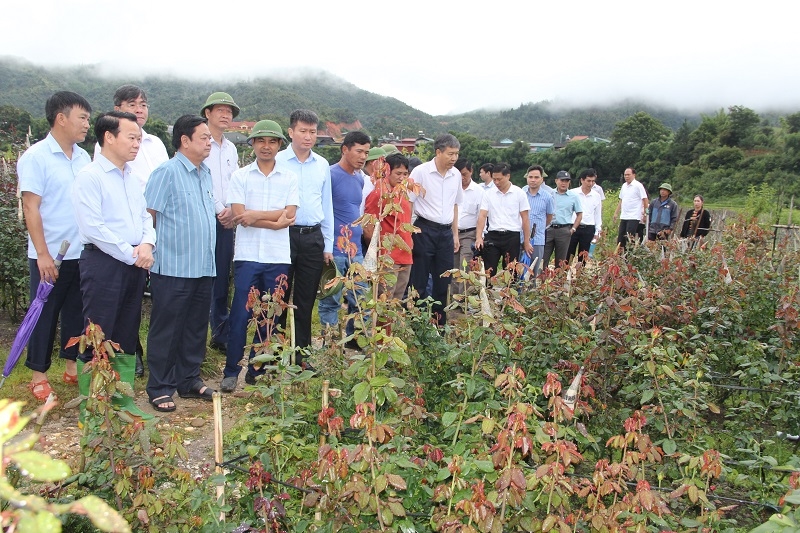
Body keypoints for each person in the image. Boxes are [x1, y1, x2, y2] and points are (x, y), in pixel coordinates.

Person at [18, 91, 91, 401]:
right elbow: (31, 207)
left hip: (82, 251)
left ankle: (72, 367)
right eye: (83, 118)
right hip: (51, 256)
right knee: (45, 314)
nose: (88, 124)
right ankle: (38, 374)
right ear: (61, 119)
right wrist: (43, 254)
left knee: (78, 314)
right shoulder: (36, 157)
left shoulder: (85, 157)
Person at [95, 84, 169, 377]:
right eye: (132, 104)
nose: (139, 109)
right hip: (122, 240)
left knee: (145, 300)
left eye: (143, 104)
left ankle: (143, 359)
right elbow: (101, 214)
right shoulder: (104, 156)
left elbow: (161, 185)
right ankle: (122, 360)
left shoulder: (155, 144)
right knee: (117, 308)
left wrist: (148, 238)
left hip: (152, 230)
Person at [144, 115, 217, 412]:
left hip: (203, 266)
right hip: (173, 266)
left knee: (196, 328)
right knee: (167, 329)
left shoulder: (206, 173)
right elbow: (147, 215)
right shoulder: (167, 172)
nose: (209, 142)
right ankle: (160, 387)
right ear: (184, 141)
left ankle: (188, 380)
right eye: (204, 137)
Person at [221, 120, 298, 393]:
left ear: (279, 145)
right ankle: (231, 371)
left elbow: (290, 214)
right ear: (252, 144)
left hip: (278, 257)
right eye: (261, 141)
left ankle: (258, 368)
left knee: (271, 316)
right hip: (247, 255)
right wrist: (271, 219)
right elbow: (240, 215)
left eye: (272, 141)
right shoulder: (241, 176)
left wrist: (255, 215)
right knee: (241, 315)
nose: (266, 146)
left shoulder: (289, 177)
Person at [73, 112, 155, 360]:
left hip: (134, 261)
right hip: (104, 262)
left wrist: (147, 244)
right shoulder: (90, 176)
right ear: (109, 136)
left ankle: (121, 395)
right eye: (131, 138)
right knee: (99, 329)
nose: (136, 144)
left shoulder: (130, 176)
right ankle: (96, 396)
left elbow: (144, 216)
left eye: (139, 139)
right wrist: (132, 253)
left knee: (128, 329)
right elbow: (93, 228)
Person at [275, 110, 333, 364]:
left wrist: (328, 244)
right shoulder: (277, 161)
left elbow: (327, 205)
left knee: (306, 299)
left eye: (312, 132)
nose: (308, 137)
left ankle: (302, 357)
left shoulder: (321, 164)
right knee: (278, 296)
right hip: (282, 235)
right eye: (303, 131)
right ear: (291, 132)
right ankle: (274, 356)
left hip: (312, 236)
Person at [318, 131, 370, 349]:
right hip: (335, 249)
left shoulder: (359, 177)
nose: (363, 157)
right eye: (359, 151)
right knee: (331, 299)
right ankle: (329, 346)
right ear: (345, 149)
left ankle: (355, 340)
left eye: (366, 152)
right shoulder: (330, 175)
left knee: (361, 298)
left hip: (355, 249)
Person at [408, 134, 463, 325]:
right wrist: (407, 233)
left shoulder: (456, 175)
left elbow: (455, 205)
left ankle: (439, 325)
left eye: (456, 154)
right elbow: (408, 202)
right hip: (424, 230)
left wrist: (455, 234)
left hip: (445, 233)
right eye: (450, 154)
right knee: (419, 279)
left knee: (443, 280)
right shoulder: (420, 172)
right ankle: (417, 323)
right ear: (438, 152)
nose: (454, 158)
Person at [201, 92, 241, 352]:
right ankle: (196, 333)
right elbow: (201, 181)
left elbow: (235, 182)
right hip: (205, 218)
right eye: (221, 110)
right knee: (202, 276)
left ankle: (219, 332)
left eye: (230, 112)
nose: (226, 115)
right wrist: (219, 209)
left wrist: (231, 210)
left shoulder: (231, 148)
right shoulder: (199, 142)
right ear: (208, 113)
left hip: (227, 220)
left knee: (221, 277)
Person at [363, 152, 414, 300]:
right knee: (384, 299)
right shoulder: (380, 193)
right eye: (398, 173)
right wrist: (376, 251)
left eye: (405, 174)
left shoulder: (403, 193)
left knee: (396, 301)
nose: (402, 177)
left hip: (405, 255)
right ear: (387, 172)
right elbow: (368, 227)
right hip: (387, 256)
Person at [474, 163, 533, 276]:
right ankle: (488, 292)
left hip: (512, 236)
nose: (496, 183)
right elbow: (482, 216)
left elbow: (525, 219)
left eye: (499, 179)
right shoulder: (488, 194)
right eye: (494, 179)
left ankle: (509, 293)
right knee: (489, 270)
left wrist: (526, 241)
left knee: (511, 272)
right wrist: (478, 237)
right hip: (492, 235)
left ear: (508, 176)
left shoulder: (519, 193)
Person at [543, 171, 583, 269]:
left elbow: (579, 214)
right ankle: (541, 281)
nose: (564, 183)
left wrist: (573, 229)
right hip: (549, 229)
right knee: (543, 258)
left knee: (561, 261)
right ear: (556, 181)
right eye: (562, 180)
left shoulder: (573, 196)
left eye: (566, 181)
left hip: (564, 230)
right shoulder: (549, 194)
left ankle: (558, 282)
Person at [521, 165, 554, 278]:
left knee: (532, 273)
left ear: (542, 179)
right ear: (527, 178)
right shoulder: (521, 193)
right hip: (520, 237)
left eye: (536, 177)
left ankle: (530, 294)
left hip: (537, 239)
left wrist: (539, 228)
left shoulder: (547, 197)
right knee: (518, 271)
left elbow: (549, 217)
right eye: (530, 177)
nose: (533, 180)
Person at [453, 158, 482, 277]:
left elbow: (481, 215)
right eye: (459, 175)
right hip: (452, 232)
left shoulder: (479, 191)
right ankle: (453, 295)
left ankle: (464, 294)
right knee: (453, 269)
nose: (462, 178)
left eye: (464, 174)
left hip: (469, 234)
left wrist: (480, 237)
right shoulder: (452, 189)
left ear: (471, 171)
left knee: (465, 267)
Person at [567, 169, 603, 264]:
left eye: (593, 181)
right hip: (573, 226)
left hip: (588, 228)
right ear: (582, 180)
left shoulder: (596, 196)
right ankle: (564, 275)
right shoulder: (572, 193)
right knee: (568, 254)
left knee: (583, 256)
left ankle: (580, 276)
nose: (590, 183)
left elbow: (598, 214)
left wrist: (597, 231)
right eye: (588, 181)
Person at [613, 167, 648, 250]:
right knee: (621, 238)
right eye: (625, 175)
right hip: (624, 215)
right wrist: (616, 213)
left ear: (634, 175)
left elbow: (645, 200)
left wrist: (646, 214)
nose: (626, 176)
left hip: (634, 216)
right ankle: (620, 257)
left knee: (629, 237)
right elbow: (621, 200)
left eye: (628, 175)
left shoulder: (638, 185)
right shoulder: (624, 186)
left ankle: (629, 257)